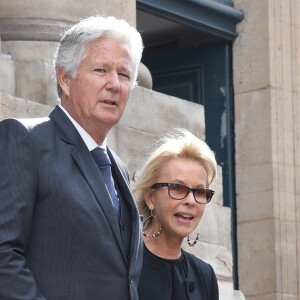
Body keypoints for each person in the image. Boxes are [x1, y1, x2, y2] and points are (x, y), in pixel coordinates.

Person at [0, 15, 144, 299]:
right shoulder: (26, 140)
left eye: (124, 74)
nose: (114, 84)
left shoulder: (119, 168)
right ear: (65, 78)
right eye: (101, 70)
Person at [132, 128, 219, 300]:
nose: (191, 201)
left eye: (199, 192)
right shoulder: (125, 263)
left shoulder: (205, 275)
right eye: (177, 188)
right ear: (150, 198)